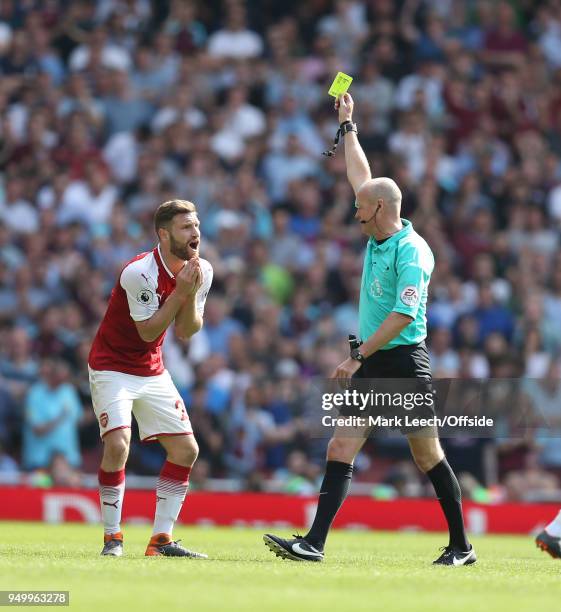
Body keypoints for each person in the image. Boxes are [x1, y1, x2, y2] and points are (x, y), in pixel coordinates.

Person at [263, 93, 476, 567]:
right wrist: (348, 125)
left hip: (402, 362)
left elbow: (403, 316)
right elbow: (360, 175)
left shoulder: (412, 251)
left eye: (360, 207)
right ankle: (313, 544)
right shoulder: (379, 228)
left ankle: (462, 546)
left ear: (379, 209)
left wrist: (357, 356)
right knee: (342, 444)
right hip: (375, 359)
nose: (353, 210)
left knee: (427, 456)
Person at [88, 199, 213, 557]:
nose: (196, 232)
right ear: (164, 233)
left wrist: (188, 293)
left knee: (186, 450)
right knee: (118, 444)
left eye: (197, 225)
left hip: (150, 368)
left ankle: (161, 542)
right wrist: (180, 293)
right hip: (111, 365)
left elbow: (188, 331)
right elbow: (147, 331)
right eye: (187, 227)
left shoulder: (201, 269)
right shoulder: (139, 272)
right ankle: (113, 538)